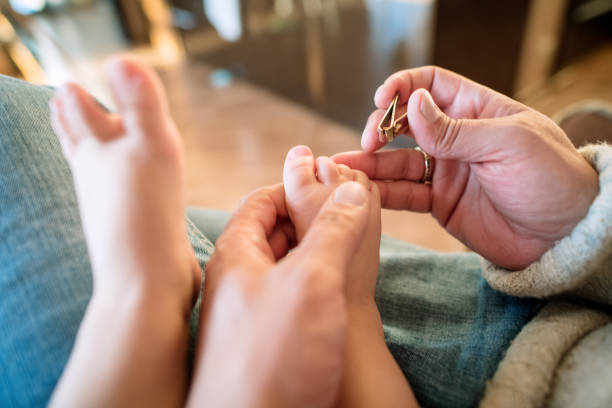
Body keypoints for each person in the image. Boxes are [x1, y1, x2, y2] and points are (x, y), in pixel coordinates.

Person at [0, 56, 609, 407]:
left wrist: (248, 387)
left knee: (15, 121)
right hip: (565, 331)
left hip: (523, 374)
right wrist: (587, 224)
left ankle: (140, 297)